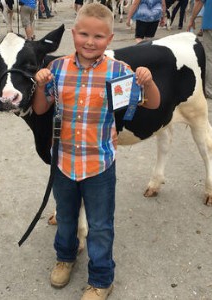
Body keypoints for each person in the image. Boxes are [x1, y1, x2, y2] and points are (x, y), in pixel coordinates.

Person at [32, 3, 160, 299]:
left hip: (100, 164)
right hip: (63, 161)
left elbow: (151, 104)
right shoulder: (58, 68)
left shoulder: (119, 72)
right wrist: (40, 85)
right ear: (74, 34)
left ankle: (101, 278)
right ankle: (65, 256)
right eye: (84, 34)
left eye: (99, 37)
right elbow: (41, 108)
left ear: (110, 40)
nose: (90, 42)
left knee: (100, 225)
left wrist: (149, 82)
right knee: (65, 216)